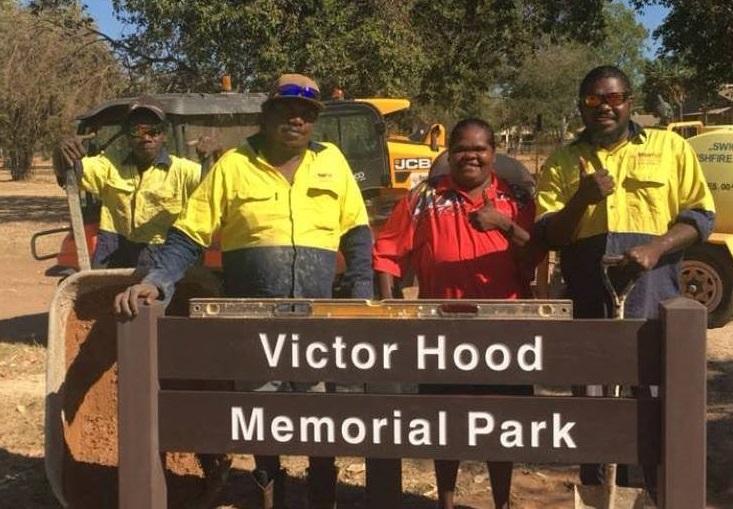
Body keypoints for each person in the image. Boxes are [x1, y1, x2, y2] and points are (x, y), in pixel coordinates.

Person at [114, 73, 373, 509]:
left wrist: (361, 292)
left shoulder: (333, 161)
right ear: (266, 114)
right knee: (260, 414)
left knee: (321, 417)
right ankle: (270, 490)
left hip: (317, 320)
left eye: (307, 114)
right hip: (252, 323)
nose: (297, 120)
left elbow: (358, 234)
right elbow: (188, 236)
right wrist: (155, 281)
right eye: (287, 110)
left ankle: (322, 492)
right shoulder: (232, 165)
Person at [535, 65, 715, 497]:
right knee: (594, 413)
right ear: (581, 105)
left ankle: (651, 493)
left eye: (615, 98)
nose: (605, 107)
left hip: (652, 307)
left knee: (653, 412)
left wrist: (656, 248)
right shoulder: (563, 160)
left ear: (630, 101)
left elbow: (700, 217)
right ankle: (601, 495)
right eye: (595, 100)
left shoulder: (669, 146)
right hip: (592, 312)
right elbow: (548, 234)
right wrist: (582, 198)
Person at [373, 118, 536, 509]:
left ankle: (502, 502)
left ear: (493, 154)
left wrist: (503, 224)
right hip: (441, 332)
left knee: (502, 425)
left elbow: (535, 254)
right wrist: (390, 308)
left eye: (480, 149)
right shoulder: (424, 198)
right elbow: (387, 254)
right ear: (449, 153)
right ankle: (445, 500)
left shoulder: (514, 199)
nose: (471, 156)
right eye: (462, 148)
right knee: (443, 424)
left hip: (504, 332)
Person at [54, 96, 218, 269]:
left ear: (164, 135)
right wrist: (60, 153)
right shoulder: (109, 165)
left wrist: (212, 159)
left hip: (165, 254)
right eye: (137, 131)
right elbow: (71, 173)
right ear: (127, 136)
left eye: (153, 131)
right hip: (114, 252)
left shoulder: (184, 171)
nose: (146, 137)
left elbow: (214, 191)